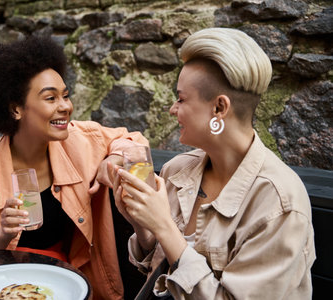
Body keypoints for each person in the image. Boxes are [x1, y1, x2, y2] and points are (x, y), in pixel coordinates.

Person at [0, 35, 148, 300]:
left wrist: (114, 158)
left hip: (69, 283)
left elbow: (134, 141)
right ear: (16, 109)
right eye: (51, 98)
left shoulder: (81, 140)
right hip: (0, 288)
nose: (65, 107)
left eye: (66, 96)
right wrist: (3, 235)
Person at [112, 27, 315, 299]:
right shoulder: (177, 170)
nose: (173, 109)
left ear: (219, 108)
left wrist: (163, 225)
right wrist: (143, 227)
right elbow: (159, 270)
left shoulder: (279, 204)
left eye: (181, 99)